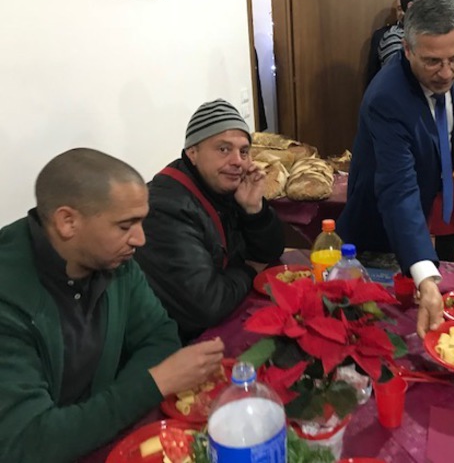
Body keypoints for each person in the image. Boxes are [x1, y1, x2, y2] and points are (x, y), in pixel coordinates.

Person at [0, 148, 225, 462]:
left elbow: (159, 335)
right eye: (125, 226)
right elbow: (30, 441)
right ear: (67, 222)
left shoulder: (114, 259)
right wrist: (154, 383)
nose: (140, 239)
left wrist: (96, 414)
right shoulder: (9, 297)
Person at [338, 0, 454, 338]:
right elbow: (398, 192)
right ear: (407, 50)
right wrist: (425, 276)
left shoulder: (445, 67)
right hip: (379, 224)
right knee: (383, 325)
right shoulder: (387, 100)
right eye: (433, 62)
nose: (446, 72)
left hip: (418, 200)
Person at [135, 99, 285, 342]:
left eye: (244, 151)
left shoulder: (224, 187)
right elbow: (206, 305)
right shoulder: (165, 209)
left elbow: (271, 251)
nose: (238, 161)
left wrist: (254, 210)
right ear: (192, 153)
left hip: (221, 319)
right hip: (175, 345)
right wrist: (249, 269)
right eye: (223, 149)